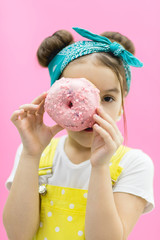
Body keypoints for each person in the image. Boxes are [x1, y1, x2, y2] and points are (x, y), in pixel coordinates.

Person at [3, 27, 155, 240]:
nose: (91, 110)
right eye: (75, 98)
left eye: (108, 98)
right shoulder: (34, 154)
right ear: (54, 100)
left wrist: (100, 166)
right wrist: (30, 155)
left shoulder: (133, 164)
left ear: (121, 107)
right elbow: (18, 235)